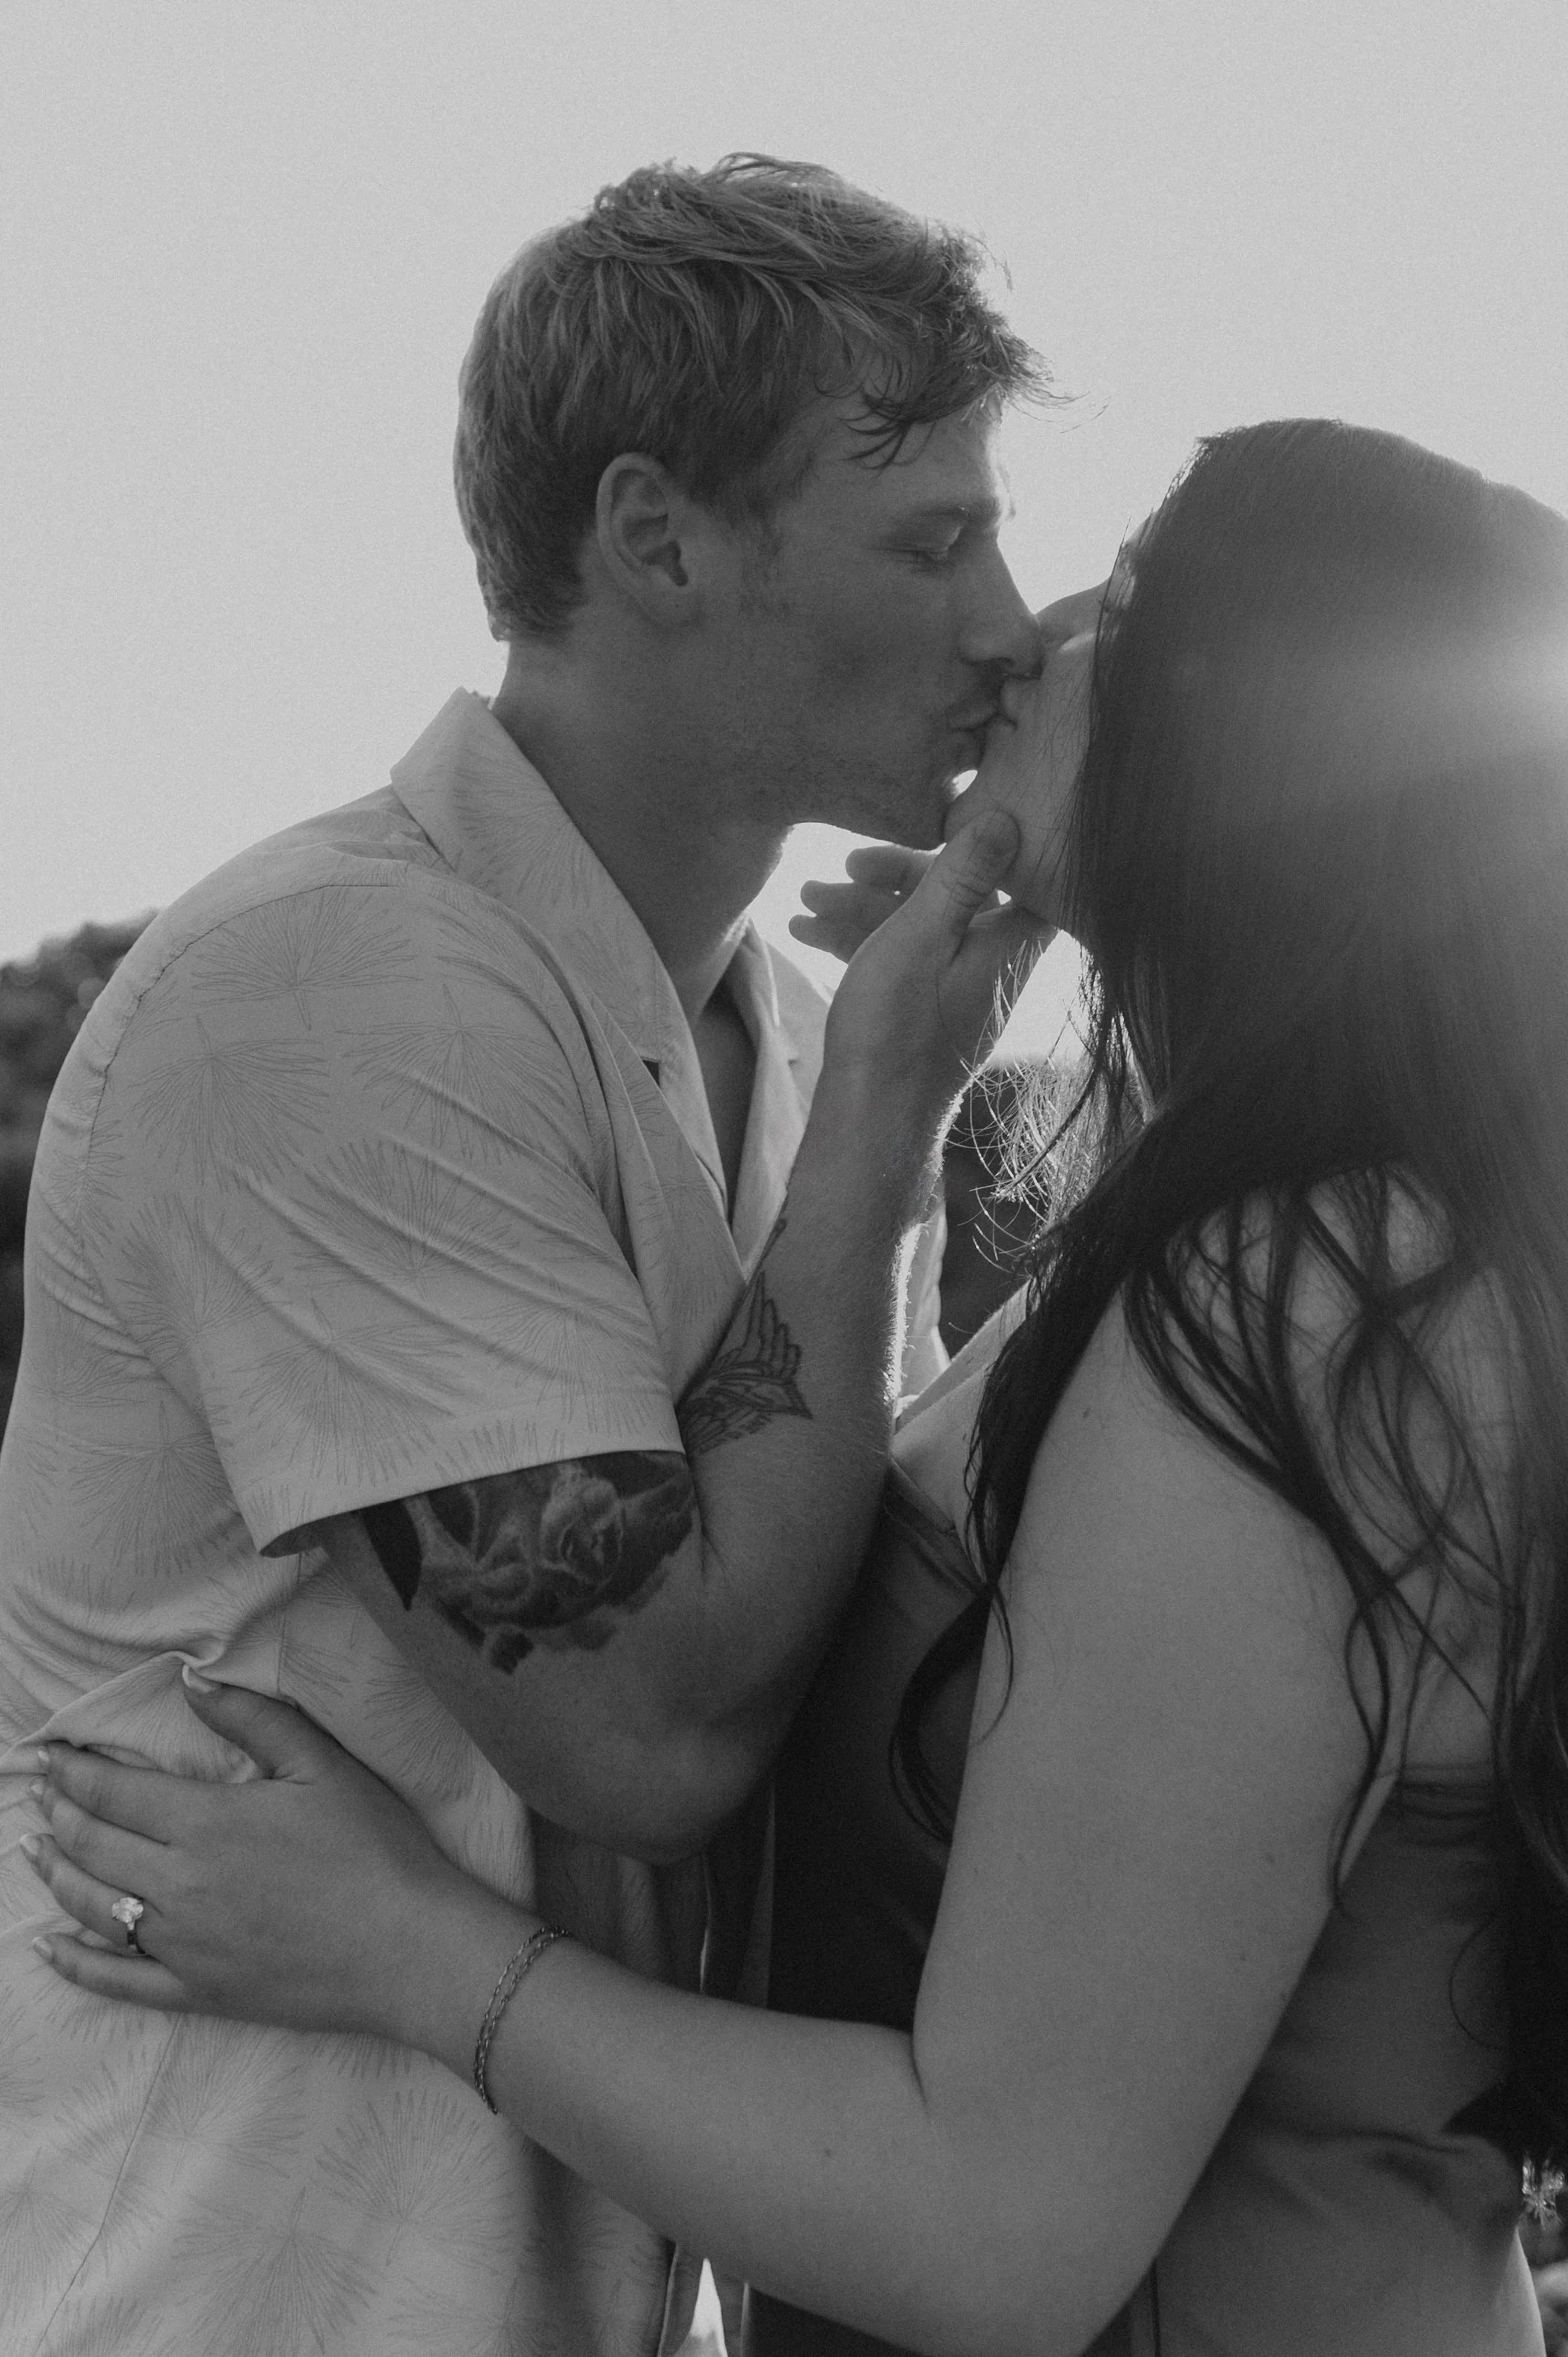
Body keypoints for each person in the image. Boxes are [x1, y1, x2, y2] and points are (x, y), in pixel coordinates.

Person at [26, 415, 1568, 2356]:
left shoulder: (1294, 1303)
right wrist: (883, 1104)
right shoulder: (1324, 1243)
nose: (1035, 630)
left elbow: (989, 2222)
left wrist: (404, 1946)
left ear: (1252, 740)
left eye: (1129, 598)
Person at [0, 155, 1049, 2356]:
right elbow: (649, 1728)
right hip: (217, 2292)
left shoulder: (765, 1028)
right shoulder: (337, 996)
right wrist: (881, 1123)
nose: (999, 627)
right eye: (932, 538)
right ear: (655, 537)